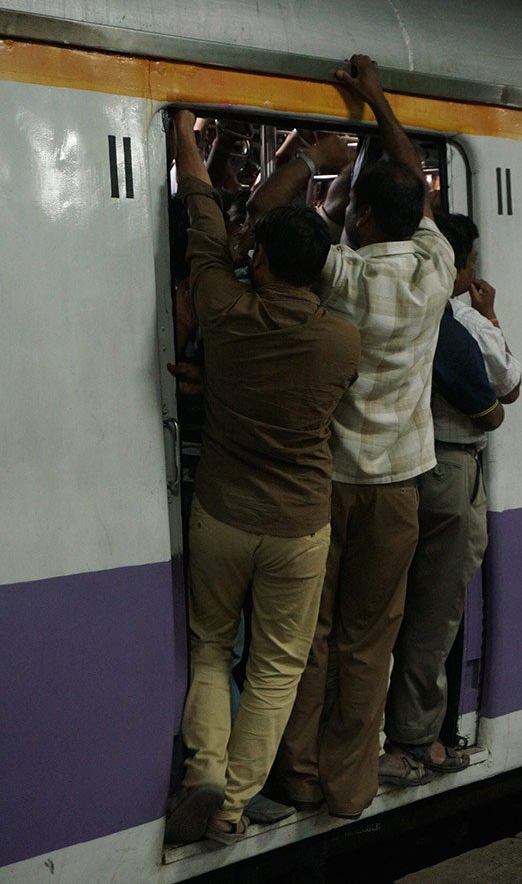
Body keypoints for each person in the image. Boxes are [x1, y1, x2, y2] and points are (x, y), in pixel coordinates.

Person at [250, 54, 456, 819]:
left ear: (361, 218)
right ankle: (349, 785)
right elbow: (410, 179)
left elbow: (268, 221)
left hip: (325, 485)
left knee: (308, 634)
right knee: (371, 641)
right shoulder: (433, 269)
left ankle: (295, 775)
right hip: (398, 490)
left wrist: (311, 158)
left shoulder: (342, 274)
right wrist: (381, 105)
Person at [164, 109, 361, 846]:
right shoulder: (342, 340)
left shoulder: (223, 308)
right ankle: (232, 805)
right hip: (298, 523)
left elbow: (204, 221)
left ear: (265, 261)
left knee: (212, 645)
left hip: (221, 511)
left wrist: (186, 134)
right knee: (278, 667)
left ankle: (202, 772)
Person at [381, 213, 521, 781]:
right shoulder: (462, 323)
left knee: (380, 611)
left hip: (396, 471)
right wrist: (490, 316)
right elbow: (505, 394)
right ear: (459, 267)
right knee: (436, 613)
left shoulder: (380, 303)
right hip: (450, 469)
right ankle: (419, 739)